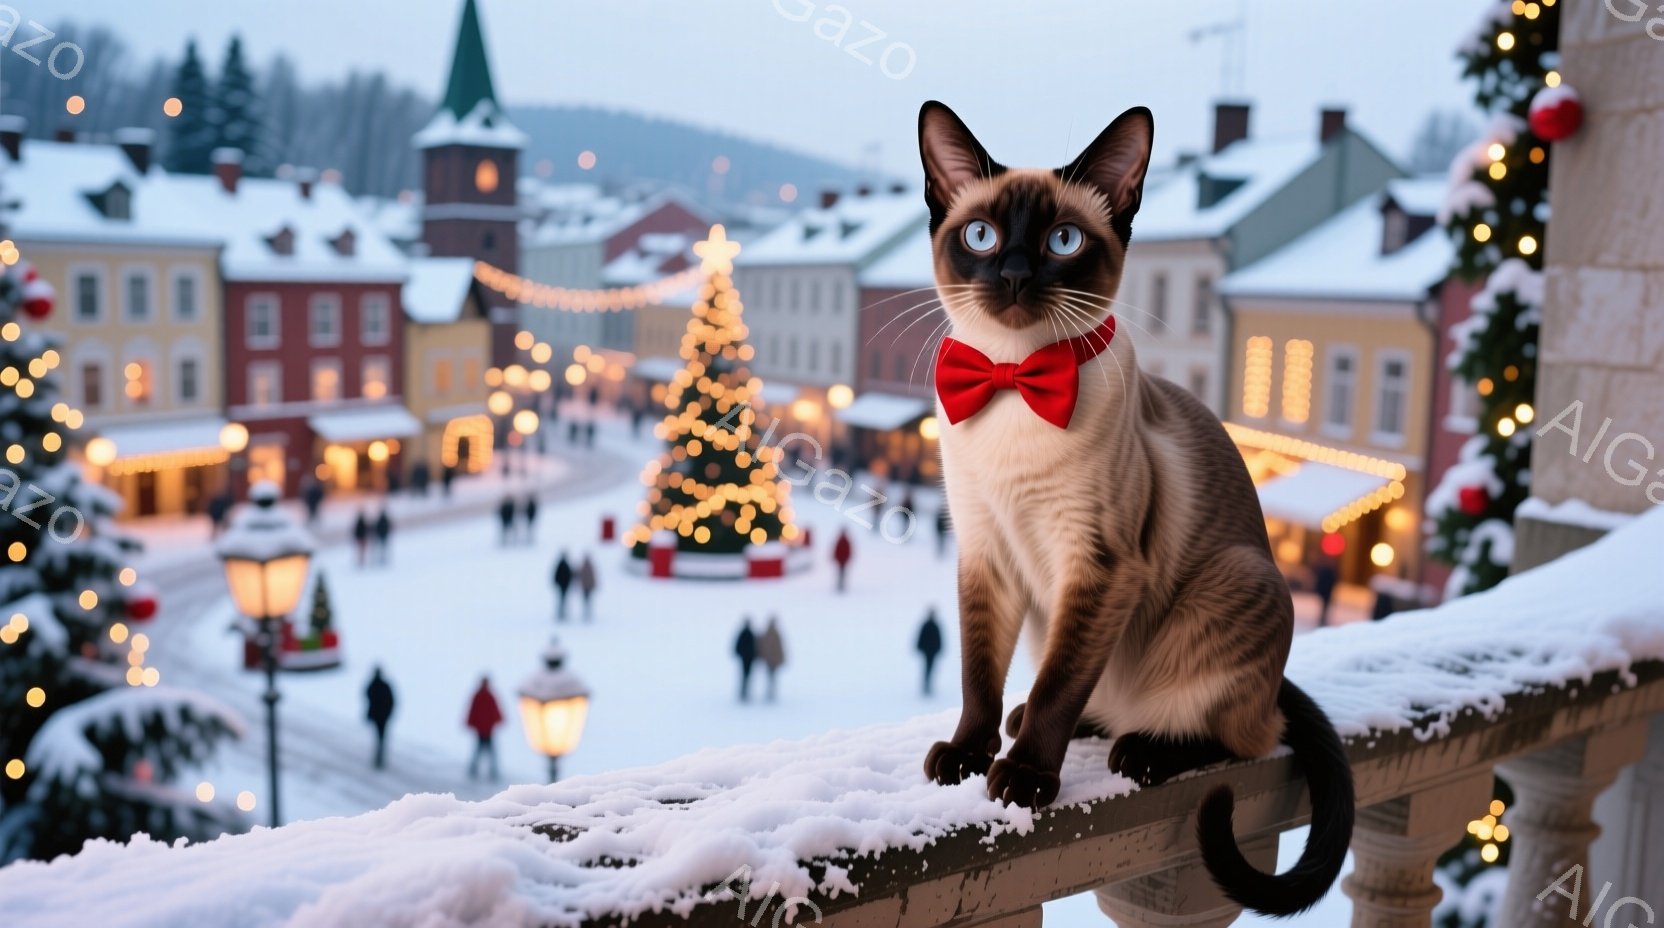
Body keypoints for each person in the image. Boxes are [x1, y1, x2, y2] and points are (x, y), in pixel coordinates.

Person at [465, 676, 503, 780]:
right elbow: (473, 711)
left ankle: (491, 772)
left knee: (487, 752)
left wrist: (499, 719)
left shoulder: (488, 696)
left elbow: (494, 710)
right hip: (482, 730)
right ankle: (476, 771)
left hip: (488, 730)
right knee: (481, 752)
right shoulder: (479, 696)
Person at [365, 666, 395, 769]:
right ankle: (379, 759)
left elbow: (367, 696)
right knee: (381, 738)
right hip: (381, 717)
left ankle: (379, 759)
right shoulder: (382, 686)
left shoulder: (374, 685)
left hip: (380, 716)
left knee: (380, 738)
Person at [756, 616, 786, 702]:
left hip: (773, 660)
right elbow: (761, 646)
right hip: (769, 660)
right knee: (770, 676)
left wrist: (781, 658)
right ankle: (769, 693)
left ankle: (771, 693)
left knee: (772, 677)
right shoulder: (767, 633)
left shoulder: (775, 634)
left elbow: (779, 647)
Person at [916, 608, 944, 697]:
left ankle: (928, 685)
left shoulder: (934, 626)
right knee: (928, 668)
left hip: (932, 651)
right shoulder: (928, 625)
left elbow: (939, 639)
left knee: (930, 668)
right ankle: (926, 685)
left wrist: (939, 648)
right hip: (928, 651)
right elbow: (921, 637)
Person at [733, 618, 758, 703]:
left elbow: (755, 647)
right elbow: (738, 646)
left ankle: (745, 692)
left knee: (747, 676)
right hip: (745, 658)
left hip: (749, 658)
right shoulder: (744, 633)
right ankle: (743, 692)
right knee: (745, 676)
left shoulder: (750, 634)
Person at [1313, 558, 1339, 628]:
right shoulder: (1327, 571)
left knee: (1325, 606)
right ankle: (1322, 618)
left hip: (1327, 592)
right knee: (1324, 606)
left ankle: (1323, 618)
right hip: (1325, 592)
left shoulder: (1330, 571)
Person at [551, 552, 575, 621]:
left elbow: (569, 575)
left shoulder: (565, 565)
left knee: (563, 599)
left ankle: (563, 613)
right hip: (562, 585)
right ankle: (561, 613)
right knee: (562, 599)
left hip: (565, 585)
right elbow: (557, 575)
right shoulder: (561, 564)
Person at [578, 554, 598, 621]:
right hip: (586, 587)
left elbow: (591, 577)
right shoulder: (587, 567)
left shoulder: (585, 567)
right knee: (587, 599)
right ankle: (587, 611)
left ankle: (587, 612)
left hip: (586, 587)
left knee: (587, 599)